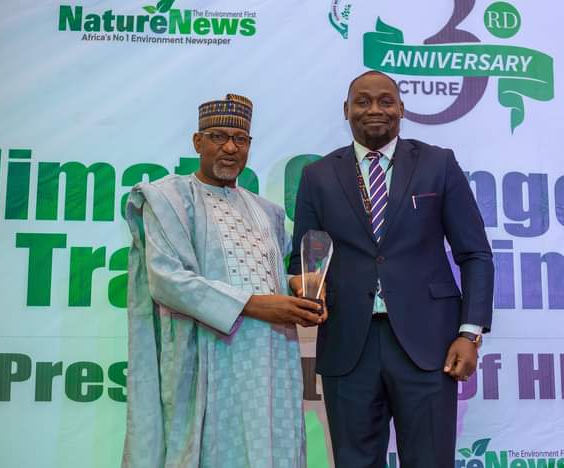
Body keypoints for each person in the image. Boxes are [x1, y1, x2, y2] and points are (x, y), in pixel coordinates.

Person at [288, 71, 494, 468]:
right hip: (348, 345)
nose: (375, 109)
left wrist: (469, 333)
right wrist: (305, 283)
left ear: (401, 108)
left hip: (429, 345)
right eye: (363, 101)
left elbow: (475, 254)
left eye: (385, 101)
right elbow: (304, 257)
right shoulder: (318, 176)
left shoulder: (438, 164)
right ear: (346, 110)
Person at [122, 94, 324, 468]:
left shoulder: (267, 211)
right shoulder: (169, 198)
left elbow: (267, 277)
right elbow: (167, 280)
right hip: (208, 353)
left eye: (240, 139)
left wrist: (295, 285)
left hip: (271, 358)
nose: (230, 148)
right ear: (198, 142)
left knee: (271, 451)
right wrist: (253, 305)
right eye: (218, 136)